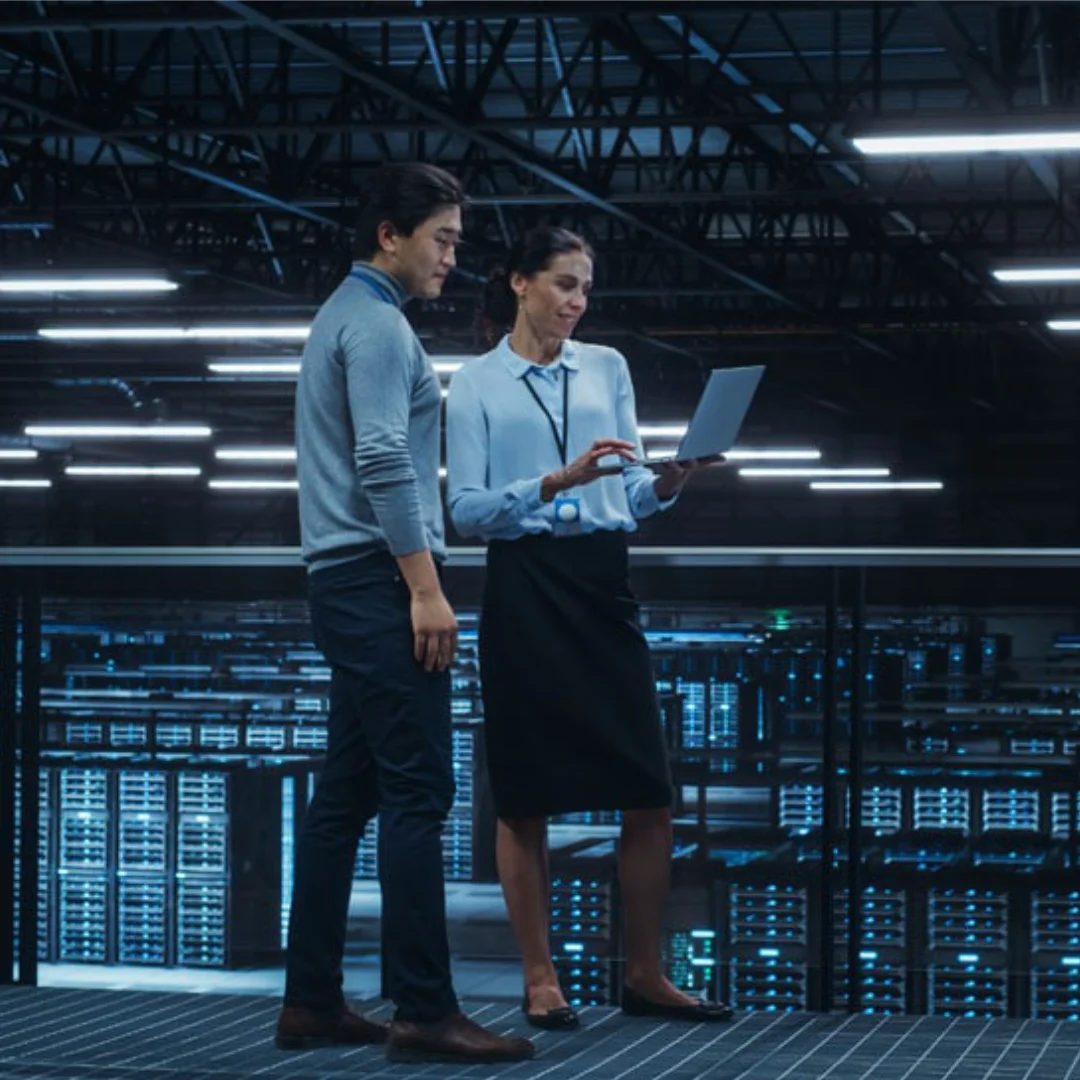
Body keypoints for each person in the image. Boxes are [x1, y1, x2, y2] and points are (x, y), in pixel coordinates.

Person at [277, 162, 534, 1066]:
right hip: (378, 583)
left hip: (344, 581)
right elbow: (386, 461)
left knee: (345, 797)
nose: (453, 259)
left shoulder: (340, 316)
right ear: (391, 233)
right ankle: (424, 1009)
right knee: (419, 793)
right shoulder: (378, 326)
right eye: (444, 239)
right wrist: (426, 588)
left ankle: (310, 1000)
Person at [446, 225, 733, 1030]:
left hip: (604, 583)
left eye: (585, 289)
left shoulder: (609, 367)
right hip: (526, 587)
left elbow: (633, 491)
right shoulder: (473, 386)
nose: (578, 302)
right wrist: (552, 482)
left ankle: (645, 973)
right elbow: (465, 512)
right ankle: (541, 979)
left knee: (648, 790)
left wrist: (668, 482)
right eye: (565, 285)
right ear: (518, 284)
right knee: (525, 797)